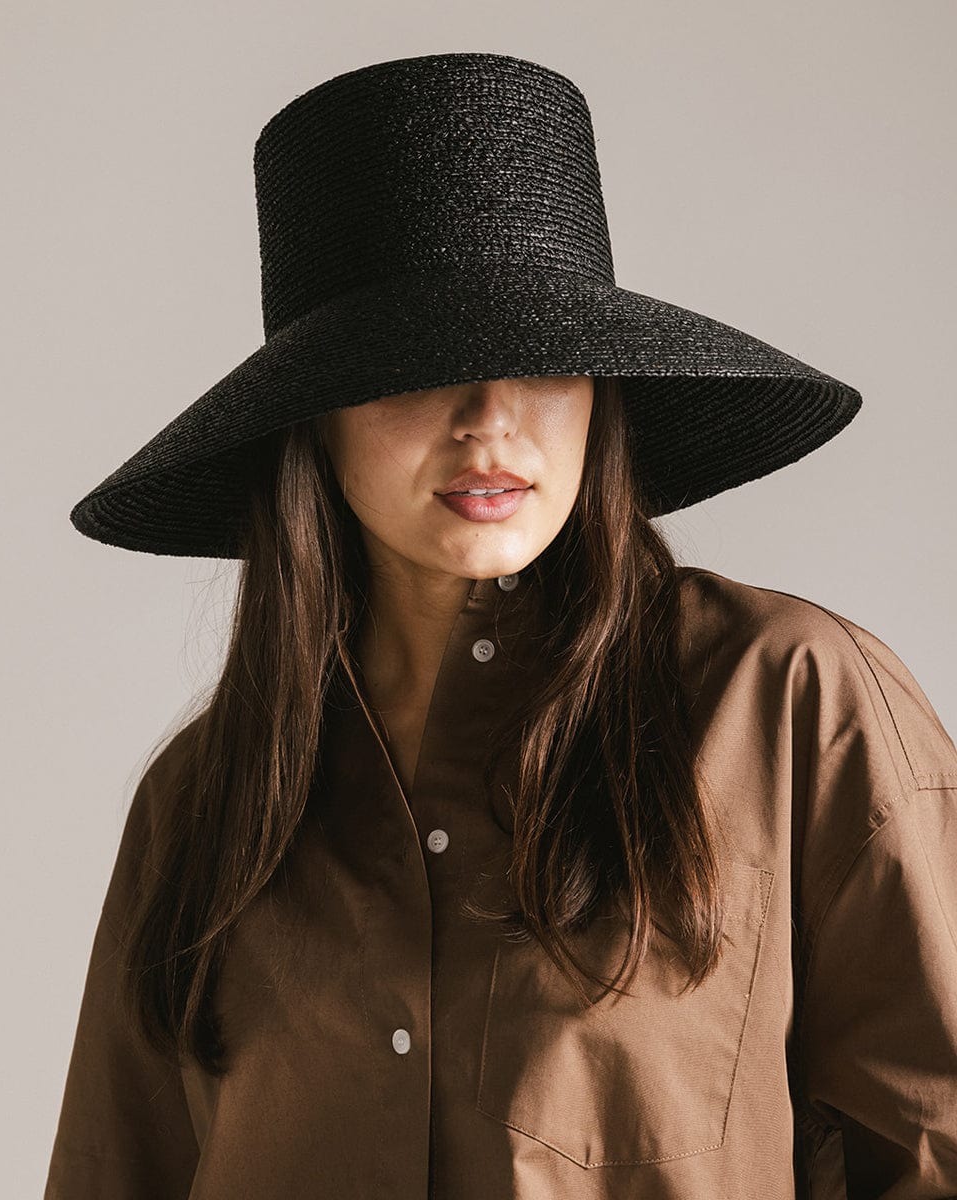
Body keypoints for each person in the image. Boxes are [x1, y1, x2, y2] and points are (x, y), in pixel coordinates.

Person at [46, 52, 957, 1199]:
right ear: (311, 419)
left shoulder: (789, 706)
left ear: (602, 388)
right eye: (417, 368)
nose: (488, 422)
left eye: (541, 356)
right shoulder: (201, 805)